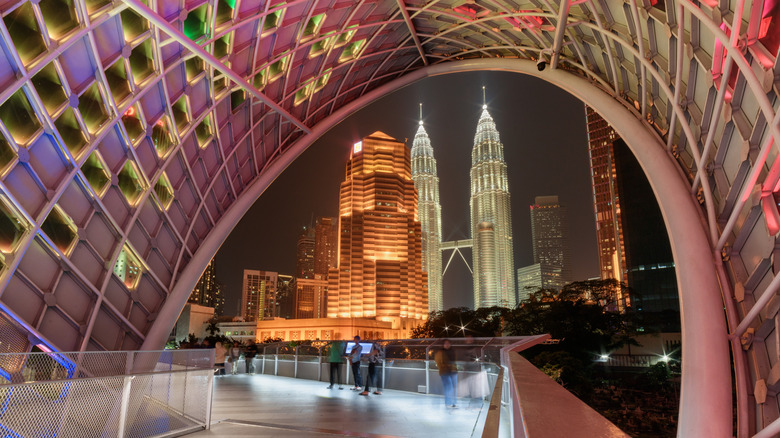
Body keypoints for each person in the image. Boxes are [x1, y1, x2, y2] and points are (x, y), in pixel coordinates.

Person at [435, 339, 458, 407]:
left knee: (453, 387)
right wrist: (446, 366)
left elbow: (454, 361)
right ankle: (448, 402)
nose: (447, 345)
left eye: (448, 343)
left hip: (453, 371)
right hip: (445, 372)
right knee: (448, 387)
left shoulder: (453, 351)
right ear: (443, 345)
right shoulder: (440, 352)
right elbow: (439, 362)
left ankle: (453, 402)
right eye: (445, 343)